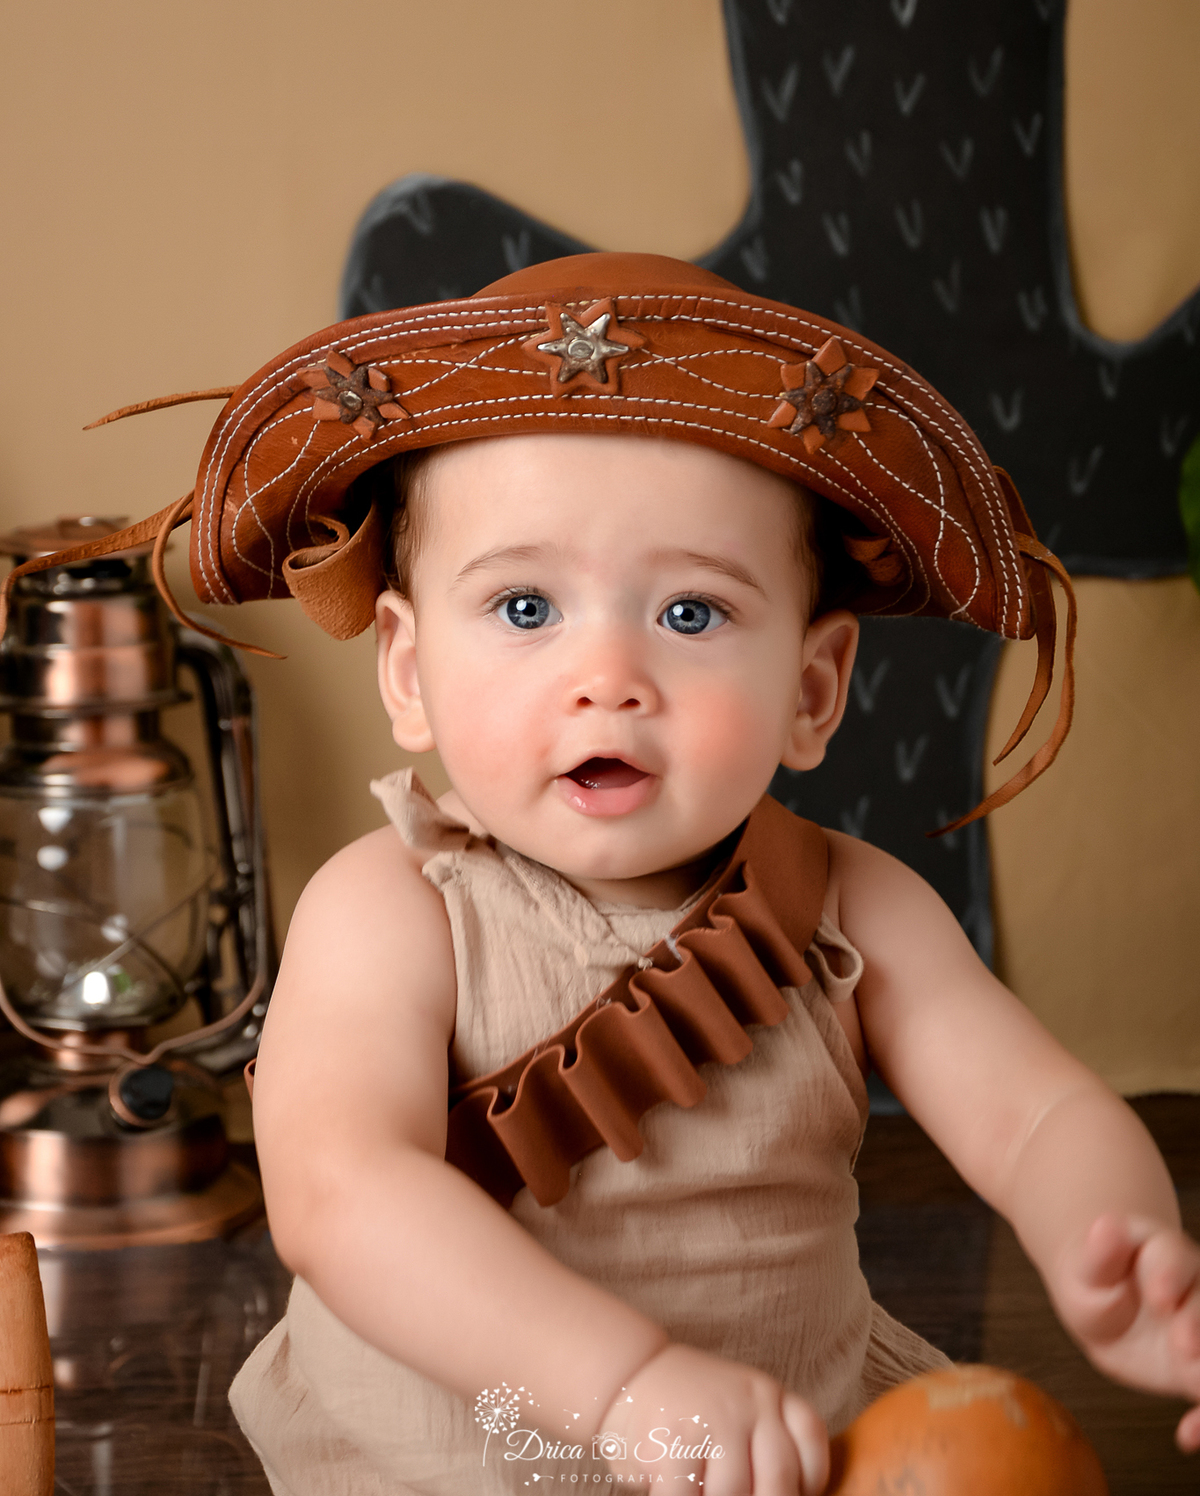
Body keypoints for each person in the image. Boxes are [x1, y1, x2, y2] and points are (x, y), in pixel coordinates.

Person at [14, 253, 1197, 1494]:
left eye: (691, 613)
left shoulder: (856, 906)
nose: (609, 676)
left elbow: (1036, 1114)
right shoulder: (389, 911)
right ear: (408, 670)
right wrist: (621, 1386)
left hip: (781, 1461)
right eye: (525, 608)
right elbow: (344, 1195)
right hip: (457, 1466)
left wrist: (1113, 1240)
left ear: (812, 690)